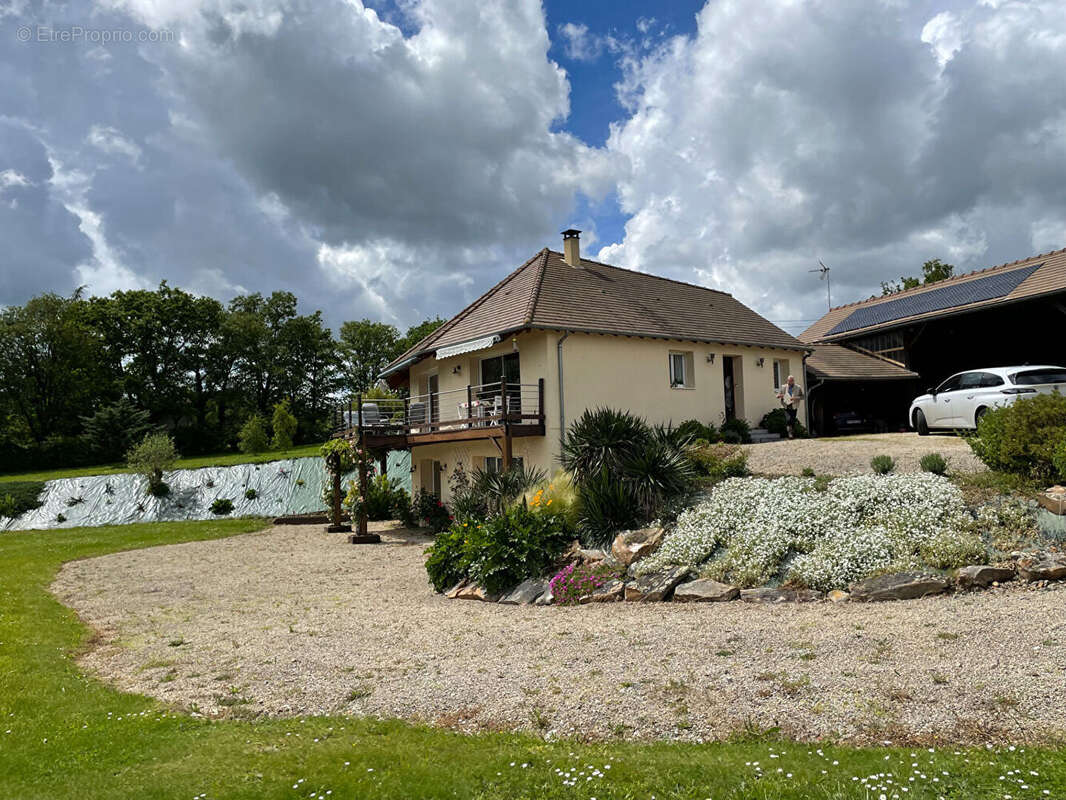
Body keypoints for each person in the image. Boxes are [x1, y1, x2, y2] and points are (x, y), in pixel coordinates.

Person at [776, 375, 804, 439]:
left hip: (794, 406)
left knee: (792, 420)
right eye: (789, 381)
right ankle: (790, 434)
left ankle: (792, 433)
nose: (790, 382)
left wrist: (795, 398)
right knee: (788, 419)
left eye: (791, 381)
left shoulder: (798, 387)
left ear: (793, 381)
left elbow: (803, 396)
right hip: (786, 406)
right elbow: (777, 395)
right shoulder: (783, 387)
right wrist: (780, 396)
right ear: (787, 380)